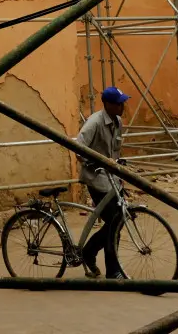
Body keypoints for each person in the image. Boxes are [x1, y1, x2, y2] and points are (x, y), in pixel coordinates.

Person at [76, 85, 130, 279]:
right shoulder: (94, 122)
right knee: (115, 222)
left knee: (119, 219)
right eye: (118, 104)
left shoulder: (118, 121)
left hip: (113, 179)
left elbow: (114, 150)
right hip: (97, 179)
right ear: (107, 104)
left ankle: (89, 251)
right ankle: (113, 270)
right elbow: (78, 147)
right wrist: (92, 163)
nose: (122, 106)